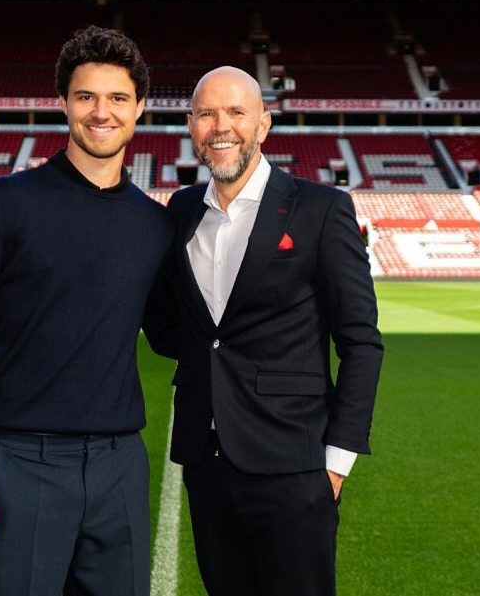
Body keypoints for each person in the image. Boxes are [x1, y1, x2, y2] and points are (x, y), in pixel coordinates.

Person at [0, 25, 174, 596]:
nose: (101, 112)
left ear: (139, 108)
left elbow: (172, 334)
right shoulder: (5, 205)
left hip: (120, 467)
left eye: (118, 97)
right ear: (63, 103)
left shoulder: (154, 224)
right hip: (21, 464)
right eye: (86, 96)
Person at [144, 65, 383, 596]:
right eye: (207, 114)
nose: (221, 126)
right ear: (190, 125)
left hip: (295, 467)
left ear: (263, 124)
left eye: (236, 112)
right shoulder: (181, 210)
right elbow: (166, 324)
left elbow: (361, 342)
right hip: (206, 465)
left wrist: (336, 462)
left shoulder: (321, 208)